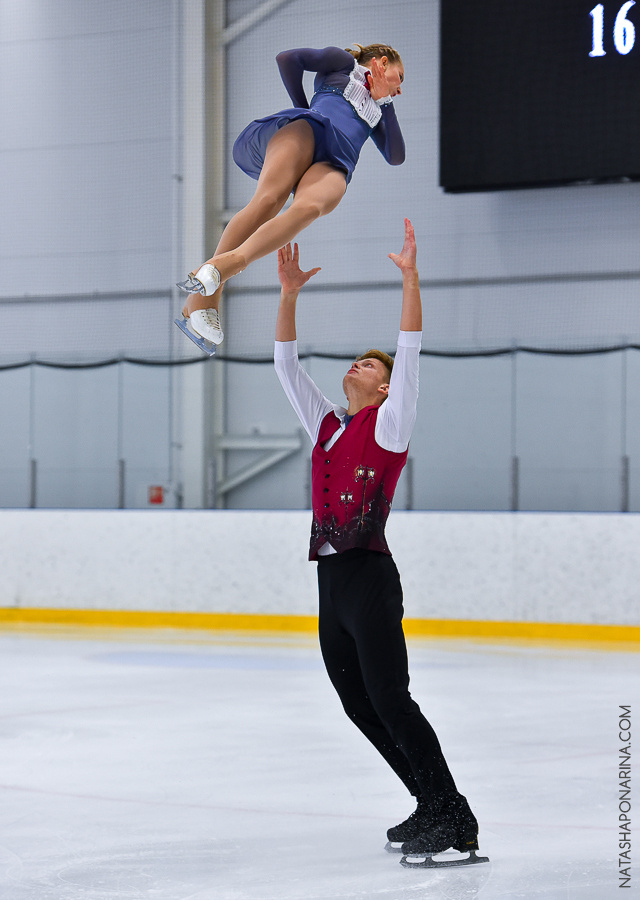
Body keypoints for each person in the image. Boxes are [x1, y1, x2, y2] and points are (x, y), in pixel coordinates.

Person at [273, 220, 487, 869]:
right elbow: (286, 365)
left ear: (386, 387)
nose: (358, 365)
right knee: (356, 702)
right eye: (358, 360)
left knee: (390, 695)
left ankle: (454, 814)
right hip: (330, 582)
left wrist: (411, 278)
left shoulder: (388, 427)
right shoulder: (327, 427)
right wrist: (288, 296)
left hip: (368, 578)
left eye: (370, 364)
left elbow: (410, 349)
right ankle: (430, 801)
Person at [177, 44, 405, 348]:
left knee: (309, 208)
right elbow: (287, 58)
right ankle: (206, 299)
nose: (400, 88)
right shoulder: (343, 65)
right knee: (267, 201)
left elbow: (396, 156)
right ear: (383, 62)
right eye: (399, 77)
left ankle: (218, 271)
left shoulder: (380, 108)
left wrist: (386, 101)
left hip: (336, 162)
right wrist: (304, 109)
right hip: (308, 130)